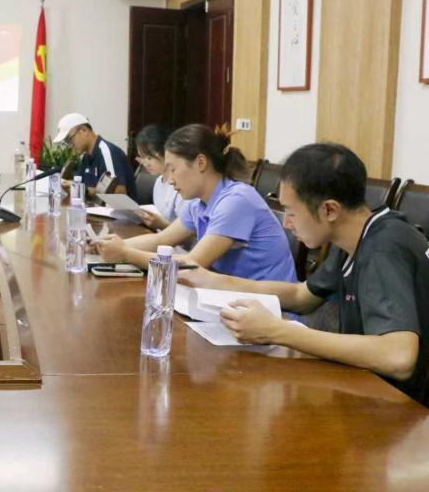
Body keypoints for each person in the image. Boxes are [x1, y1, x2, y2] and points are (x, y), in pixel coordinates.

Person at [181, 143, 429, 405]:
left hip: (405, 410)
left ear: (330, 210)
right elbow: (303, 296)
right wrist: (211, 280)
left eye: (291, 212)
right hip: (371, 388)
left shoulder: (383, 248)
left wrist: (277, 331)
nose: (286, 222)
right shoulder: (356, 236)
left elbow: (398, 357)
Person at [96, 124, 296, 282]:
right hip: (231, 298)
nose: (170, 179)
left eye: (173, 169)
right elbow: (161, 240)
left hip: (269, 308)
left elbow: (191, 264)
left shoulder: (236, 201)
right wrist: (108, 245)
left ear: (201, 163)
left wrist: (126, 253)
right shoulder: (199, 203)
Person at [53, 113, 135, 199]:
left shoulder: (106, 152)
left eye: (70, 139)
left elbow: (119, 194)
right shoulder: (86, 157)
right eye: (66, 142)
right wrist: (70, 186)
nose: (70, 146)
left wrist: (81, 189)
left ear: (84, 130)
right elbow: (84, 186)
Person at [134, 124, 186, 231]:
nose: (146, 164)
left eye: (150, 158)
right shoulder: (158, 181)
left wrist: (162, 225)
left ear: (166, 152)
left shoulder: (182, 185)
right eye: (143, 158)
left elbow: (189, 233)